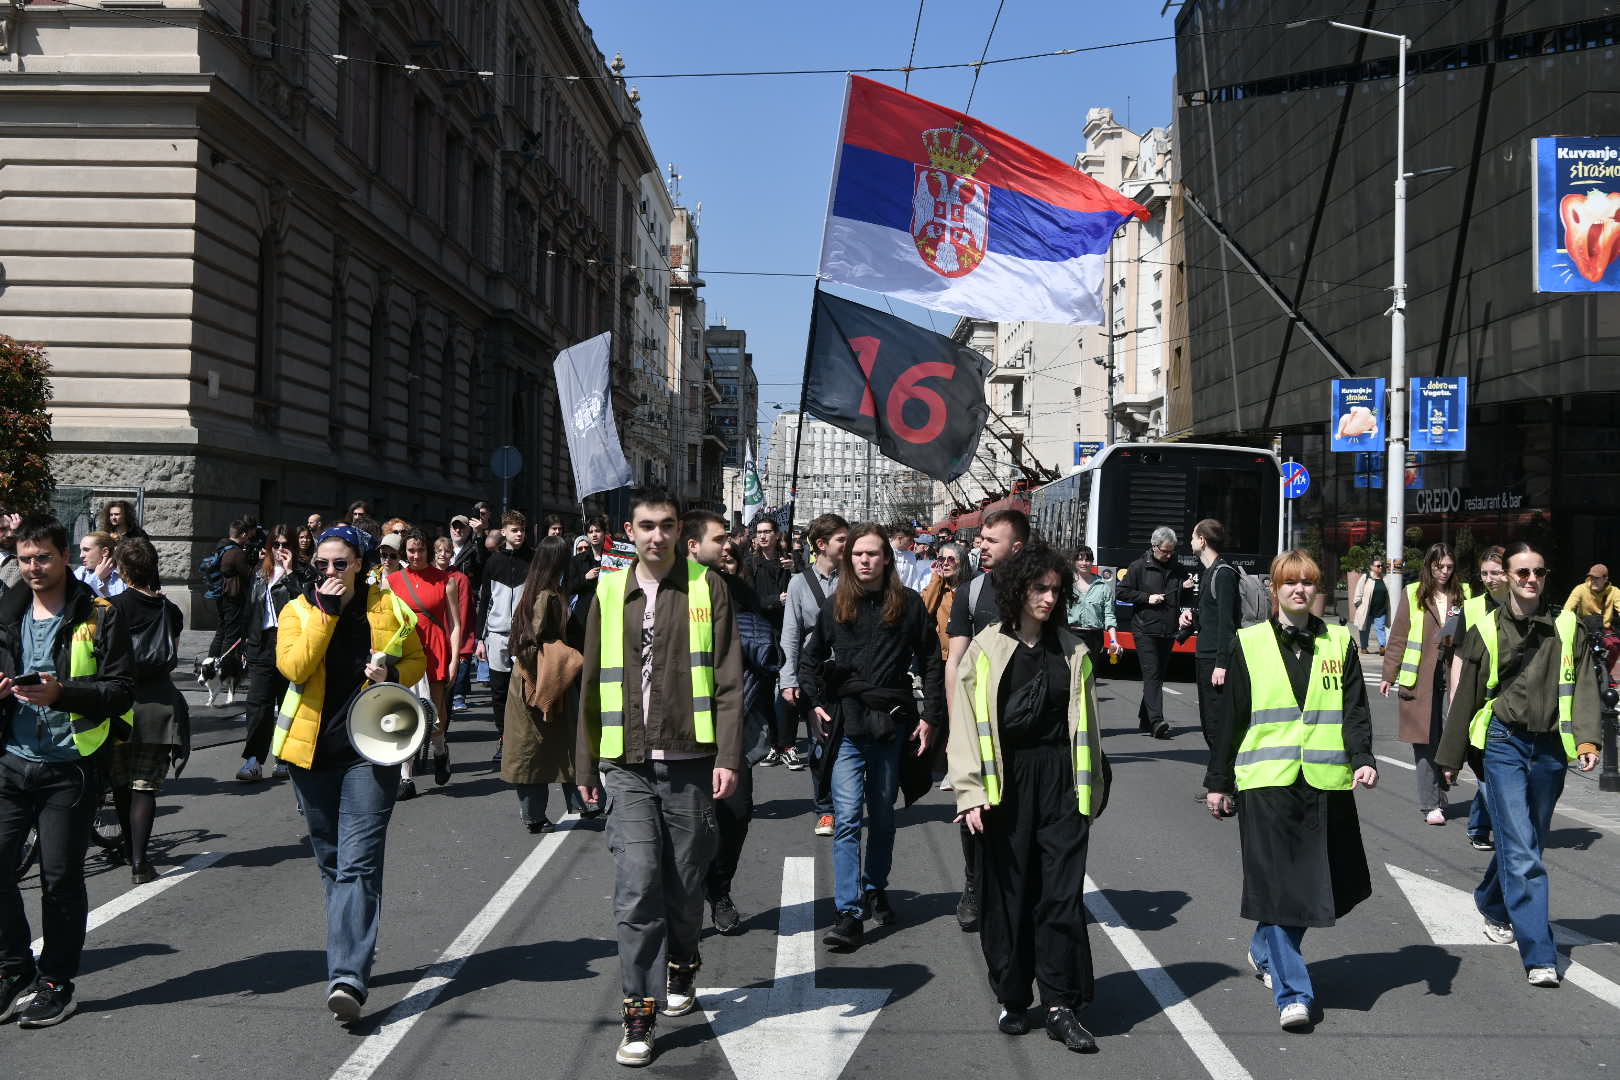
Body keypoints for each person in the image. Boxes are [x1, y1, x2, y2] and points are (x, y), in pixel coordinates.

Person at [574, 489, 743, 1068]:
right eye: (646, 527)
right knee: (638, 884)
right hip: (625, 766)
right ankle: (638, 1012)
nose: (656, 537)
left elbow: (727, 677)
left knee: (685, 883)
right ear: (630, 529)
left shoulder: (705, 585)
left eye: (666, 526)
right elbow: (592, 680)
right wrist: (583, 763)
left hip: (690, 761)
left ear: (678, 531)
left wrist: (728, 757)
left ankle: (682, 963)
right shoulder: (607, 589)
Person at [1203, 549, 1378, 1032]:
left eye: (1307, 583)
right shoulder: (1250, 643)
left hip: (1323, 781)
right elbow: (1231, 718)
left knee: (1319, 883)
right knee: (1281, 890)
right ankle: (1293, 994)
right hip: (1266, 783)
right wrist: (1218, 782)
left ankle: (1264, 948)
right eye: (1289, 584)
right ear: (1275, 591)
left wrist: (1363, 760)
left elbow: (1355, 710)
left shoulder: (1338, 642)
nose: (1299, 591)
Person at [950, 543, 1103, 1053]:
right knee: (1009, 896)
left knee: (1060, 895)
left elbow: (1088, 730)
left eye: (1056, 589)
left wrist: (1091, 790)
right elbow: (967, 727)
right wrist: (970, 794)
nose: (1048, 596)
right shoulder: (985, 647)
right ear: (1018, 590)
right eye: (1039, 587)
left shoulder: (1074, 649)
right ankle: (1014, 997)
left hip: (1061, 782)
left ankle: (1059, 1004)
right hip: (1006, 786)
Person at [274, 524, 425, 1023]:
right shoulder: (298, 609)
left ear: (360, 563)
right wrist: (326, 614)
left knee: (357, 864)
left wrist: (394, 675)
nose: (331, 572)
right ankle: (353, 947)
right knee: (334, 862)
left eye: (341, 564)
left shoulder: (388, 607)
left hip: (371, 750)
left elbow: (418, 658)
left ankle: (347, 976)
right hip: (312, 754)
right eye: (322, 565)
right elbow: (294, 667)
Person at [1439, 540, 1600, 989]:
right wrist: (1449, 759)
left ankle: (1491, 902)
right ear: (1507, 577)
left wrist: (1587, 738)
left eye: (1539, 573)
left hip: (1550, 748)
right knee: (1524, 851)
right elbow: (1467, 693)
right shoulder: (1486, 627)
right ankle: (1539, 954)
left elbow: (1584, 684)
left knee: (1527, 840)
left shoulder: (1568, 626)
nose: (1531, 580)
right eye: (1522, 572)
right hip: (1503, 743)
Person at [0, 515, 135, 1028]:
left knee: (59, 879)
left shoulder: (100, 613)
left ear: (64, 558)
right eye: (24, 558)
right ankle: (14, 970)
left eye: (43, 557)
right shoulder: (6, 611)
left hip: (71, 767)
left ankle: (56, 982)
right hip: (11, 761)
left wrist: (63, 693)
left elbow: (121, 691)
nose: (33, 568)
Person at [801, 523, 944, 952]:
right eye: (858, 554)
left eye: (873, 554)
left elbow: (932, 660)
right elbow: (808, 660)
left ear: (886, 559)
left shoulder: (910, 605)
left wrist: (931, 716)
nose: (865, 560)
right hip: (848, 725)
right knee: (847, 819)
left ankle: (876, 885)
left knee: (882, 815)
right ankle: (849, 912)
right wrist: (814, 702)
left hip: (891, 724)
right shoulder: (834, 605)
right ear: (850, 560)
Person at [685, 509, 780, 934]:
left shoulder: (739, 594)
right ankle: (685, 900)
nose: (729, 548)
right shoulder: (669, 594)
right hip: (681, 727)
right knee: (685, 821)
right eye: (720, 541)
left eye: (730, 544)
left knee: (735, 814)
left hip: (733, 723)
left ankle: (718, 889)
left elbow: (764, 649)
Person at [945, 508, 1028, 932]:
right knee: (973, 805)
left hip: (1025, 725)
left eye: (990, 541)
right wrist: (954, 723)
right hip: (977, 722)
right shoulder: (971, 592)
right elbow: (955, 660)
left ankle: (1015, 888)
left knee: (1019, 810)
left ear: (1016, 548)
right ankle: (974, 884)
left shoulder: (1039, 592)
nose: (980, 546)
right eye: (980, 540)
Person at [107, 537, 187, 883]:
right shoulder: (171, 610)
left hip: (120, 704)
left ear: (122, 570)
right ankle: (140, 862)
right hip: (159, 707)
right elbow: (172, 654)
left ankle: (127, 848)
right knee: (144, 786)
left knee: (121, 784)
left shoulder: (110, 607)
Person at [501, 535, 583, 833]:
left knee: (558, 746)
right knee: (533, 753)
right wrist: (553, 665)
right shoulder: (545, 596)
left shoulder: (544, 591)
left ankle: (581, 802)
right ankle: (536, 815)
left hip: (546, 681)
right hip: (538, 681)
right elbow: (528, 644)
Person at [1381, 543, 1466, 826]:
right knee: (1424, 741)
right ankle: (1431, 803)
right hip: (1419, 677)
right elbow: (1398, 637)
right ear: (1429, 566)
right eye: (1439, 566)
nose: (1444, 572)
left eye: (1449, 567)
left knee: (1448, 739)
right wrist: (1388, 674)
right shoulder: (1413, 593)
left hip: (1451, 673)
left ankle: (1441, 793)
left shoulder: (1460, 594)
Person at [778, 513, 849, 832]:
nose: (848, 546)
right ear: (822, 545)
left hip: (850, 674)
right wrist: (788, 679)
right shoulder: (798, 583)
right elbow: (791, 634)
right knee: (821, 742)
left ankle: (846, 799)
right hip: (814, 676)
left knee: (849, 741)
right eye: (842, 540)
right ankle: (825, 807)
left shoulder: (854, 580)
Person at [390, 528, 462, 798]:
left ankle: (440, 750)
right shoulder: (393, 581)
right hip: (405, 651)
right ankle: (405, 778)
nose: (416, 555)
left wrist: (455, 659)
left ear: (428, 551)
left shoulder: (446, 580)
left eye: (420, 550)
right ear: (404, 553)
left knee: (433, 714)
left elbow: (455, 624)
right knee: (405, 711)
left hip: (435, 651)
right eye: (411, 551)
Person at [239, 524, 311, 782]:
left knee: (287, 703)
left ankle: (283, 756)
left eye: (286, 545)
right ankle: (253, 759)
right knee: (258, 703)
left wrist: (291, 573)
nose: (281, 550)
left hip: (290, 640)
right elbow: (249, 608)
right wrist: (245, 641)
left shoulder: (303, 573)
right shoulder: (260, 573)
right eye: (276, 545)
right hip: (262, 642)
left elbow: (305, 604)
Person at [1451, 547, 1507, 851]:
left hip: (1511, 701)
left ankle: (1478, 825)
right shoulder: (1471, 607)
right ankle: (1496, 827)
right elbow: (1457, 657)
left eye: (1495, 572)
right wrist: (1456, 700)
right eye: (1484, 573)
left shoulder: (1522, 606)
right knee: (1484, 766)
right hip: (1477, 700)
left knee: (1496, 769)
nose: (1489, 579)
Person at [1116, 526, 1186, 740]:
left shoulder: (1178, 568)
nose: (1168, 555)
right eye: (1165, 551)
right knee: (1152, 674)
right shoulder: (1138, 567)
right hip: (1144, 629)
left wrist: (1187, 588)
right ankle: (1157, 721)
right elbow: (1122, 592)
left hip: (1167, 630)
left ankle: (1145, 718)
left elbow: (1182, 596)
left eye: (1171, 551)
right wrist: (1147, 598)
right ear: (1154, 547)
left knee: (1159, 675)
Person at [1185, 520, 1243, 768]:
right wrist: (1192, 619)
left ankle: (1227, 786)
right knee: (1209, 723)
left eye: (1192, 536)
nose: (1189, 542)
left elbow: (1227, 623)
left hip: (1215, 660)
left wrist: (1222, 663)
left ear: (1202, 540)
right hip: (1204, 655)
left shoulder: (1224, 573)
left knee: (1217, 724)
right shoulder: (1209, 572)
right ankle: (1220, 782)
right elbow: (1212, 616)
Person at [477, 512, 532, 763]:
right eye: (513, 529)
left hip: (524, 636)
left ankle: (526, 740)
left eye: (521, 529)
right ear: (504, 532)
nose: (518, 534)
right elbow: (485, 600)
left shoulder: (533, 560)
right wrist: (480, 638)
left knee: (525, 690)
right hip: (497, 635)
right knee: (499, 691)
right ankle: (504, 738)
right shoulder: (493, 562)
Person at [202, 518, 257, 693]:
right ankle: (224, 672)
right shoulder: (236, 553)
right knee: (230, 636)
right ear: (242, 534)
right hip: (233, 599)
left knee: (222, 631)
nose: (248, 538)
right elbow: (249, 574)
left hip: (222, 597)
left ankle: (210, 664)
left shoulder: (222, 547)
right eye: (246, 535)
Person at [1562, 564, 1620, 683]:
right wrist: (1565, 619)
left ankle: (1606, 672)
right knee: (1577, 650)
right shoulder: (1581, 589)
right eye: (1591, 577)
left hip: (1604, 627)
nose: (1593, 580)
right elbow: (1568, 608)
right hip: (1585, 627)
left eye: (1597, 578)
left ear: (1605, 579)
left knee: (1615, 645)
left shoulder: (1614, 592)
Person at [1066, 546, 1119, 662]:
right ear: (1074, 562)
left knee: (1090, 674)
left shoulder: (1103, 587)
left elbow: (1109, 616)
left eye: (1087, 560)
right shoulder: (1067, 585)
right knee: (1071, 675)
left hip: (1094, 637)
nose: (1084, 563)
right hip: (1071, 634)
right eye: (1080, 559)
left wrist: (1114, 641)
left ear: (1092, 562)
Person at [1351, 557, 1391, 654]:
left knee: (1380, 628)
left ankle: (1382, 646)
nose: (1380, 567)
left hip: (1380, 610)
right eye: (1378, 566)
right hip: (1367, 610)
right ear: (1372, 567)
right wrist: (1359, 605)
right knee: (1364, 629)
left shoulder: (1385, 579)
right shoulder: (1366, 577)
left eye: (1381, 566)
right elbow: (1358, 592)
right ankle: (1364, 647)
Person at [73, 531, 127, 599]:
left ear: (104, 552)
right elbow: (74, 600)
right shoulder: (80, 574)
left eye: (86, 550)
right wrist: (96, 577)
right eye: (81, 550)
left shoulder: (122, 577)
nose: (81, 555)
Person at [888, 524, 928, 592]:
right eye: (909, 540)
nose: (912, 543)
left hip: (907, 596)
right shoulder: (885, 552)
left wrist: (915, 595)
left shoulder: (911, 555)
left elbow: (914, 579)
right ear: (900, 538)